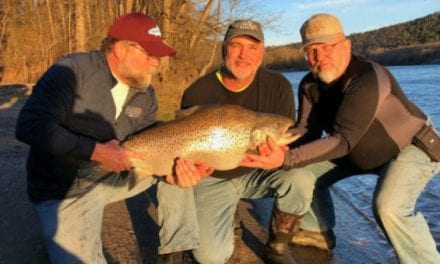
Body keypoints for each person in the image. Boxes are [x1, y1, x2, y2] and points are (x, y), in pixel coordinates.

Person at [241, 13, 440, 263]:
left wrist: (286, 158)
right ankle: (317, 232)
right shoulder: (308, 85)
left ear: (346, 45)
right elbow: (306, 131)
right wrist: (274, 146)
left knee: (389, 207)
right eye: (311, 51)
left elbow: (342, 140)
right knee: (302, 173)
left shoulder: (368, 78)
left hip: (411, 147)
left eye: (327, 48)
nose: (319, 58)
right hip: (356, 152)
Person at [15, 13, 209, 264]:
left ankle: (175, 252)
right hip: (64, 190)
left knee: (180, 161)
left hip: (114, 176)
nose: (155, 63)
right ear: (119, 48)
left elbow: (151, 141)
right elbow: (29, 125)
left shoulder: (146, 94)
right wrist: (96, 151)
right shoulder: (72, 72)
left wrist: (173, 171)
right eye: (148, 54)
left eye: (157, 56)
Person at [177, 19, 304, 264]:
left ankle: (277, 246)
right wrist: (192, 169)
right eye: (236, 45)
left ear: (262, 52)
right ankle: (226, 218)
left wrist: (281, 157)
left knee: (302, 178)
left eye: (253, 48)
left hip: (259, 173)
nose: (244, 55)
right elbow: (184, 147)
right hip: (212, 178)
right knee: (210, 258)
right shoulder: (197, 92)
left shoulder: (279, 86)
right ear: (225, 48)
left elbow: (289, 144)